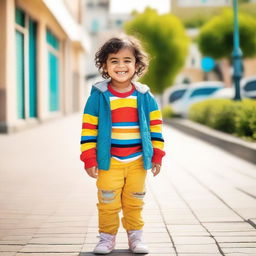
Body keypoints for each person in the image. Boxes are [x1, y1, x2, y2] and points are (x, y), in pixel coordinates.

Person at [80, 35, 165, 254]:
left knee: (135, 201)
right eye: (114, 60)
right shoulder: (98, 96)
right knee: (107, 201)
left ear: (136, 65)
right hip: (109, 162)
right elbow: (89, 130)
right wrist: (89, 158)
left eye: (127, 60)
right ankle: (106, 239)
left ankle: (135, 238)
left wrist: (157, 155)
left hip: (137, 161)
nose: (121, 66)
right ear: (105, 66)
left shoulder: (144, 96)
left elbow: (155, 126)